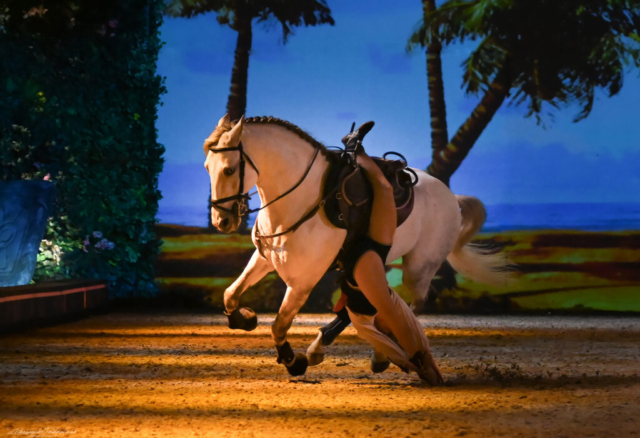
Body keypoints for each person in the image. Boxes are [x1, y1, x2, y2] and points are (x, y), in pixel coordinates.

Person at [336, 123, 444, 385]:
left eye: (388, 332)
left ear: (380, 330)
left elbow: (391, 321)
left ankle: (352, 149)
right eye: (391, 330)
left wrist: (409, 358)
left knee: (390, 310)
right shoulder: (384, 308)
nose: (390, 327)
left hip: (357, 265)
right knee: (383, 188)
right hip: (376, 248)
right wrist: (423, 360)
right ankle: (355, 147)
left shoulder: (362, 316)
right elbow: (401, 322)